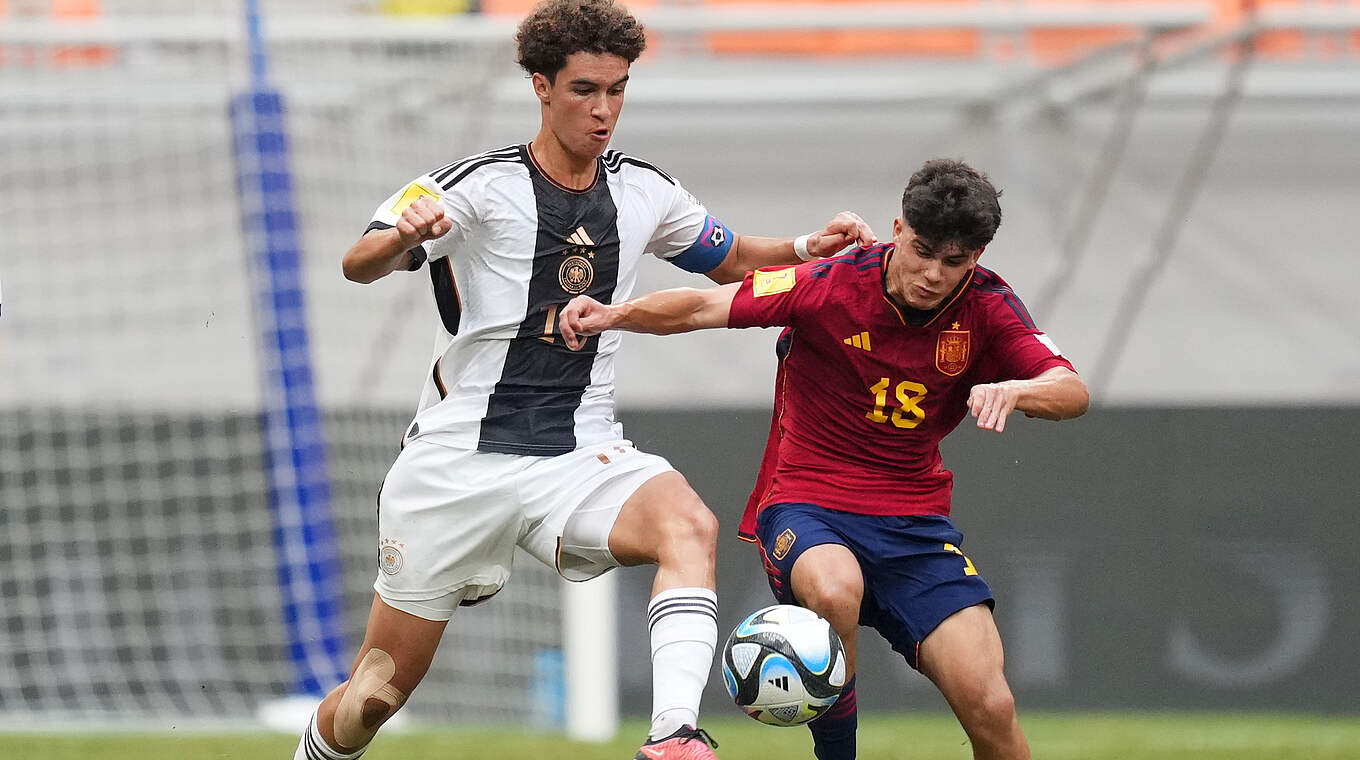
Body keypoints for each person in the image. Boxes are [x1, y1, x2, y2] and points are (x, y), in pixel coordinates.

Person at [292, 2, 877, 759]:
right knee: (375, 696)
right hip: (455, 464)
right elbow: (357, 262)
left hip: (577, 453)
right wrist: (404, 236)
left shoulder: (644, 192)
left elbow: (732, 259)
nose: (604, 110)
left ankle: (674, 736)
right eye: (583, 91)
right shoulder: (473, 187)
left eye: (618, 90)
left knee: (689, 526)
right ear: (540, 85)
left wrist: (807, 246)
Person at [559, 158, 1090, 760]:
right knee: (836, 588)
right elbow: (705, 307)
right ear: (898, 227)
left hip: (916, 528)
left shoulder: (988, 307)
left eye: (954, 262)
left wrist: (1020, 390)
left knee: (991, 705)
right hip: (808, 506)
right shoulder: (832, 282)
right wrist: (612, 315)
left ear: (977, 255)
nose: (932, 275)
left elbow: (1072, 390)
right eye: (921, 251)